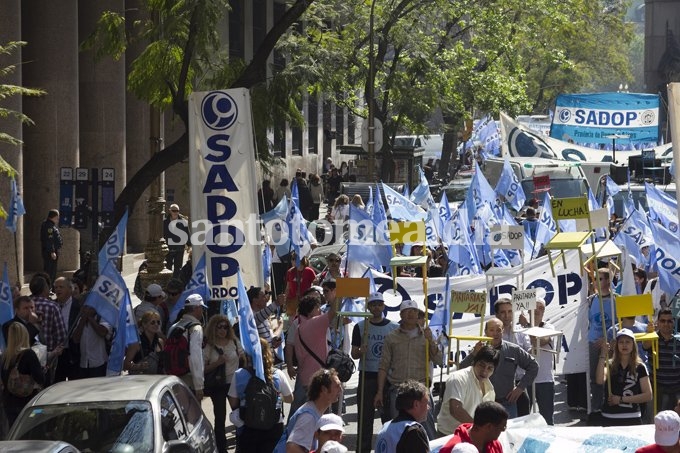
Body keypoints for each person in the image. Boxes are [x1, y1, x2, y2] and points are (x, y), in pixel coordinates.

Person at [375, 300, 443, 440]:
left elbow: (439, 360)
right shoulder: (391, 337)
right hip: (398, 390)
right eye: (407, 310)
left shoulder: (427, 335)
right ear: (401, 314)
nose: (411, 313)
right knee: (400, 431)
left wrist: (431, 341)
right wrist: (380, 391)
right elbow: (384, 365)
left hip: (421, 389)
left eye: (414, 311)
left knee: (427, 430)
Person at [460, 318, 538, 419]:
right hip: (483, 405)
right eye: (491, 330)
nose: (495, 333)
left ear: (503, 331)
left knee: (508, 433)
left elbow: (533, 366)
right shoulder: (479, 350)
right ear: (485, 332)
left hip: (507, 404)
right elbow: (461, 369)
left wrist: (520, 388)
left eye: (498, 330)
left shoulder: (513, 349)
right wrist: (474, 353)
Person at [351, 291, 399, 453]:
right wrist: (360, 352)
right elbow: (353, 353)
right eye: (373, 304)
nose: (376, 307)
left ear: (384, 306)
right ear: (368, 306)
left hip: (388, 378)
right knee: (365, 418)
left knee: (389, 418)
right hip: (367, 376)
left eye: (379, 304)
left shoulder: (394, 327)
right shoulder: (360, 327)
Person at [228, 338, 293, 453]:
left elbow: (233, 403)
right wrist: (277, 398)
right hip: (274, 426)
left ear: (248, 355)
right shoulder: (278, 374)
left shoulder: (239, 375)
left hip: (248, 426)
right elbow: (290, 398)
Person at [289, 292, 337, 419]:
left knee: (300, 414)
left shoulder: (300, 325)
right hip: (317, 379)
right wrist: (340, 291)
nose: (320, 311)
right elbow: (334, 311)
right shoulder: (314, 323)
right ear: (310, 312)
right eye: (317, 308)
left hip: (305, 376)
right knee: (321, 417)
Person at [437, 345, 499, 436]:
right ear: (474, 362)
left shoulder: (490, 389)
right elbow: (455, 410)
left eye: (490, 368)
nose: (484, 371)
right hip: (450, 436)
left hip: (472, 436)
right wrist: (479, 429)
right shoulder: (458, 378)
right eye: (482, 365)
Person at [596, 328, 653, 426]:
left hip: (633, 417)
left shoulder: (640, 367)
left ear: (633, 345)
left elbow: (648, 395)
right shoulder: (609, 364)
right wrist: (602, 355)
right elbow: (599, 380)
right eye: (621, 342)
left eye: (628, 342)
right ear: (616, 345)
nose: (624, 345)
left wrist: (621, 399)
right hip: (609, 417)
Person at [204, 315, 243, 453]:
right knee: (220, 417)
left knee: (239, 416)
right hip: (218, 385)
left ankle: (242, 446)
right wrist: (217, 363)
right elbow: (202, 368)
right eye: (219, 327)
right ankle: (221, 448)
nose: (223, 330)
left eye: (225, 327)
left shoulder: (233, 341)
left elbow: (243, 355)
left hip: (234, 384)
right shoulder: (209, 345)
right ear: (214, 328)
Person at [284, 368, 342, 453]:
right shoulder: (308, 417)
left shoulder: (313, 410)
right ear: (324, 389)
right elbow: (292, 448)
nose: (341, 389)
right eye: (337, 386)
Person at [1, 323, 45, 427]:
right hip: (27, 403)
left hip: (9, 403)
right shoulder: (29, 354)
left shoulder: (4, 357)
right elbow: (40, 379)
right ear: (25, 335)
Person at [494, 297, 532, 416]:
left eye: (510, 311)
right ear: (496, 314)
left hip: (519, 384)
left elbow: (530, 353)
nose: (507, 315)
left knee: (523, 420)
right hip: (498, 387)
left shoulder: (520, 331)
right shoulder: (493, 334)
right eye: (503, 312)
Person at [587, 267, 617, 421]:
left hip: (611, 344)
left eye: (601, 278)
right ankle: (596, 408)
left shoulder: (616, 300)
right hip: (593, 344)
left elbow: (620, 323)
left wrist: (609, 340)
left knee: (610, 377)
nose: (597, 282)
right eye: (596, 278)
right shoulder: (591, 299)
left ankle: (610, 405)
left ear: (608, 280)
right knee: (594, 378)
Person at [523, 299, 558, 425]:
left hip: (545, 380)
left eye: (541, 308)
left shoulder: (548, 327)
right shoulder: (519, 327)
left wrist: (528, 326)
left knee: (547, 419)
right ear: (528, 310)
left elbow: (541, 341)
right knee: (523, 419)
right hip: (525, 379)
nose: (538, 310)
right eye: (535, 307)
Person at [374, 380, 431, 453]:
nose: (428, 408)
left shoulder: (385, 428)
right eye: (426, 403)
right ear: (416, 404)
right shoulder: (413, 431)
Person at [168, 294, 206, 399]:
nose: (202, 311)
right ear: (197, 308)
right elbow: (195, 357)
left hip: (173, 378)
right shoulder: (195, 328)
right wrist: (199, 386)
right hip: (189, 379)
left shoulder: (174, 326)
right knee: (194, 414)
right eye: (201, 308)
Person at [29, 274, 65, 382]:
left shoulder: (24, 304)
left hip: (27, 355)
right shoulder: (52, 306)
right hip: (48, 357)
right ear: (45, 289)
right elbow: (61, 335)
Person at [645, 309, 680, 413]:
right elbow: (645, 345)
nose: (666, 324)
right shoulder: (652, 338)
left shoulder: (678, 339)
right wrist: (649, 332)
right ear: (658, 322)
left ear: (674, 322)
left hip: (677, 389)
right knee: (656, 421)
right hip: (657, 389)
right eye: (663, 321)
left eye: (669, 321)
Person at [438, 401, 509, 453]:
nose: (502, 431)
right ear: (489, 426)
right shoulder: (451, 449)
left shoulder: (495, 445)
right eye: (501, 428)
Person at [53, 276, 81, 382]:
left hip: (73, 353)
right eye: (56, 287)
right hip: (57, 353)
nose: (58, 290)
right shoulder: (52, 305)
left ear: (70, 289)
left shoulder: (78, 306)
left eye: (61, 287)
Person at [72, 304, 112, 378]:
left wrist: (90, 317)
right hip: (84, 364)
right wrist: (83, 318)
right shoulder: (81, 320)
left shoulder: (103, 318)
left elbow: (102, 332)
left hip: (99, 363)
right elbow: (75, 339)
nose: (86, 309)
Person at [163, 203, 189, 278]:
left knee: (178, 267)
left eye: (177, 211)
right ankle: (169, 282)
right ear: (170, 211)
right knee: (168, 266)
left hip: (179, 248)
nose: (176, 212)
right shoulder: (165, 222)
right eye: (174, 211)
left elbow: (187, 233)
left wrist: (189, 245)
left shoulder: (183, 222)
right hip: (168, 248)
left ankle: (176, 281)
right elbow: (163, 234)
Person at [40, 209, 62, 286]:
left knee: (52, 271)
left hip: (52, 252)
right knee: (49, 271)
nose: (58, 220)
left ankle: (50, 287)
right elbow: (49, 239)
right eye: (57, 218)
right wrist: (52, 251)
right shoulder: (48, 226)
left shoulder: (50, 225)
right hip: (50, 253)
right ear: (54, 217)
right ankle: (47, 287)